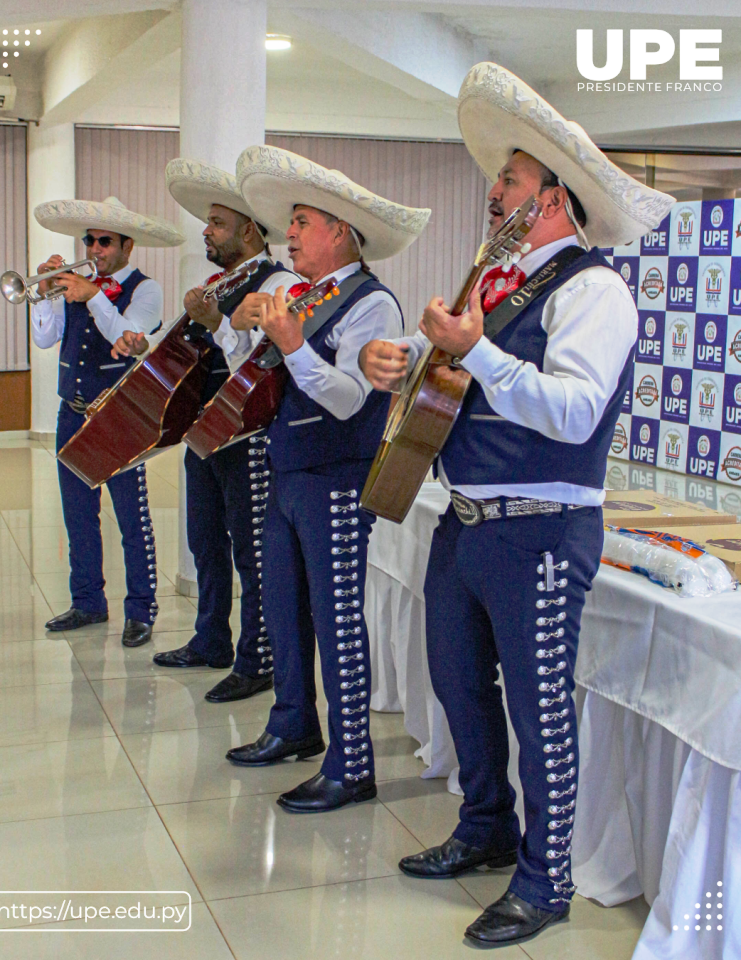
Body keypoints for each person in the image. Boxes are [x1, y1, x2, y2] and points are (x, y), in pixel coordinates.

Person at [359, 62, 674, 947]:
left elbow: (572, 411)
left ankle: (547, 883)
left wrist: (479, 355)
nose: (494, 191)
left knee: (541, 712)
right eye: (499, 178)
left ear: (555, 201)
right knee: (459, 686)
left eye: (512, 180)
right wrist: (393, 365)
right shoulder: (490, 288)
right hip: (464, 523)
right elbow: (450, 393)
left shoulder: (594, 289)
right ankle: (486, 826)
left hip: (541, 529)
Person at [224, 145, 430, 812]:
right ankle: (292, 723)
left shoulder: (375, 306)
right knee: (283, 606)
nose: (291, 233)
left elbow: (346, 398)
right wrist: (246, 324)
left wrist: (291, 346)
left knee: (338, 618)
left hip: (337, 478)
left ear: (340, 231)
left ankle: (352, 764)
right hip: (288, 470)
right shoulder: (304, 296)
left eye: (303, 222)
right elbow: (246, 364)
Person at [112, 158, 300, 701]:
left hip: (248, 436)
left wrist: (217, 322)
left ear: (247, 229)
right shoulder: (221, 282)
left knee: (252, 547)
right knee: (203, 540)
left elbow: (265, 359)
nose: (206, 230)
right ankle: (211, 639)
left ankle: (256, 658)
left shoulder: (280, 282)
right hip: (205, 432)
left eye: (217, 223)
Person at [32, 196, 184, 647]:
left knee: (131, 515)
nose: (94, 248)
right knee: (78, 513)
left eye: (104, 241)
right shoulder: (74, 283)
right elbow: (45, 337)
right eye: (89, 240)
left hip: (119, 416)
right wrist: (45, 295)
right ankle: (87, 602)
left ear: (127, 246)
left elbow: (128, 339)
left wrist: (94, 296)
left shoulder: (147, 289)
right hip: (71, 411)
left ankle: (140, 608)